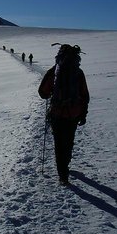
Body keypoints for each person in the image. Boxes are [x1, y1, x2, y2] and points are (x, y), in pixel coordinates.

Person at [38, 44, 89, 185]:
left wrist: (53, 94)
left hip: (57, 113)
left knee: (59, 144)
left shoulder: (54, 71)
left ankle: (63, 175)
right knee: (69, 141)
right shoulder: (78, 72)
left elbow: (42, 92)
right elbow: (85, 95)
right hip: (73, 114)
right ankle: (65, 165)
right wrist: (83, 114)